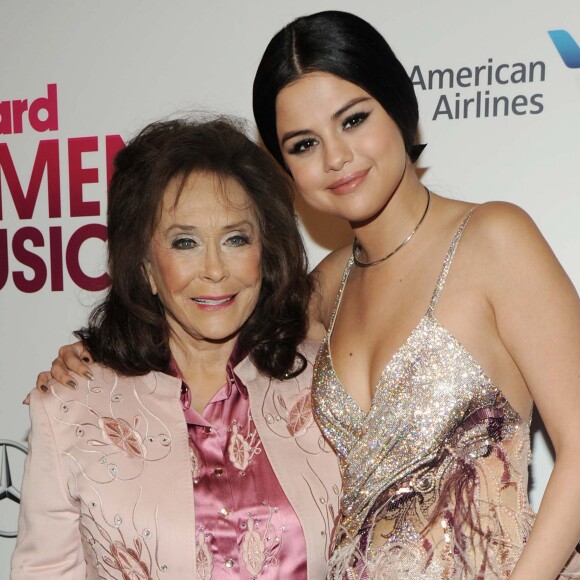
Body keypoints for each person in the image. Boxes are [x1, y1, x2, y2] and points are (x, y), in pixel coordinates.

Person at [38, 10, 580, 579]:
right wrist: (90, 362)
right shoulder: (324, 289)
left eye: (353, 120)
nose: (335, 158)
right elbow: (204, 335)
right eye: (303, 144)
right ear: (285, 167)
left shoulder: (494, 240)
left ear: (400, 108)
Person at [12, 117, 341, 579]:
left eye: (235, 239)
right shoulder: (72, 406)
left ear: (264, 253)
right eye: (184, 242)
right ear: (145, 264)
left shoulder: (326, 386)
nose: (213, 269)